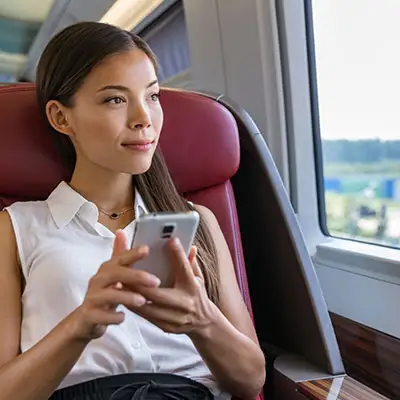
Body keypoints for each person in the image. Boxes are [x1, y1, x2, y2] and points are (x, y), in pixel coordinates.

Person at [0, 22, 265, 400]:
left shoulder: (198, 221)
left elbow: (252, 380)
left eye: (153, 96)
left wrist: (201, 319)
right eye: (115, 99)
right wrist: (81, 324)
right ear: (61, 118)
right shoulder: (15, 228)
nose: (144, 117)